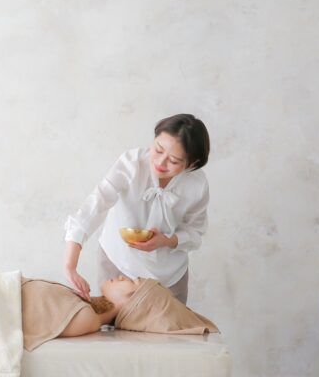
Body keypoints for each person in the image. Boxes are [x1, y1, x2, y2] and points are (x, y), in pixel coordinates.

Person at [63, 113, 211, 305]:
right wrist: (70, 265)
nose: (160, 162)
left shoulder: (197, 185)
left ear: (192, 164)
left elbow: (195, 232)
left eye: (173, 161)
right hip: (118, 264)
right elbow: (97, 202)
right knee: (113, 322)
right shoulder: (132, 163)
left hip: (170, 275)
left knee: (173, 324)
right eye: (158, 149)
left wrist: (166, 241)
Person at [21, 274, 219, 351]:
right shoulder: (83, 307)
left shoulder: (86, 318)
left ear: (132, 302)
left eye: (132, 281)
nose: (122, 276)